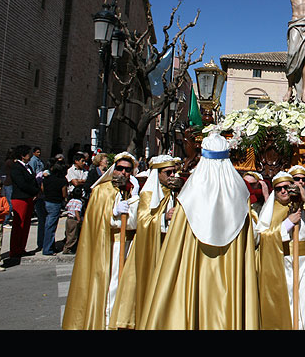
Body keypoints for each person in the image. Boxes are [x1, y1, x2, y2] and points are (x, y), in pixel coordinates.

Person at [137, 133, 259, 330]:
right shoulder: (239, 191)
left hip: (194, 268)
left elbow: (176, 242)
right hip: (230, 274)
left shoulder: (192, 191)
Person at [62, 152, 140, 329]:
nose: (123, 173)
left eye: (128, 170)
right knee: (111, 285)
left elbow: (134, 222)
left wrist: (134, 197)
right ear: (113, 169)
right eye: (119, 168)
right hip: (109, 244)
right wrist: (112, 214)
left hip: (127, 244)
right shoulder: (102, 191)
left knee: (123, 286)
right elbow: (97, 218)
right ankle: (107, 322)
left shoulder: (131, 191)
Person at [109, 155, 183, 330]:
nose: (173, 175)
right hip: (148, 246)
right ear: (157, 173)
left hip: (167, 245)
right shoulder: (149, 193)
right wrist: (164, 217)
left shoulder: (172, 192)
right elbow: (143, 221)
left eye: (174, 171)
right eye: (168, 172)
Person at [254, 170, 305, 329]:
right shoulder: (271, 211)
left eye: (286, 187)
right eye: (279, 189)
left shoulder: (303, 207)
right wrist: (287, 223)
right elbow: (262, 237)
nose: (283, 191)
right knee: (289, 305)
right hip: (283, 263)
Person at [9, 145, 40, 259]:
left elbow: (32, 180)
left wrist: (36, 192)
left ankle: (22, 248)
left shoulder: (28, 167)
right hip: (20, 198)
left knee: (26, 224)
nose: (30, 155)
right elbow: (21, 184)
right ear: (22, 156)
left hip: (28, 198)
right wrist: (34, 191)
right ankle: (14, 250)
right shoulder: (16, 167)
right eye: (28, 154)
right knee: (19, 225)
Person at [40, 161, 68, 255]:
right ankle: (48, 249)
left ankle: (47, 245)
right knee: (51, 227)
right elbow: (64, 193)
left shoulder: (47, 178)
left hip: (46, 201)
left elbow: (42, 188)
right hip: (55, 203)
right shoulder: (62, 180)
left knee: (46, 225)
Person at [62, 186, 83, 254]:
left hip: (68, 218)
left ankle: (66, 247)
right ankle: (68, 248)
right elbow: (77, 211)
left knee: (68, 233)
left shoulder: (71, 200)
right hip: (74, 219)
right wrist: (79, 219)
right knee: (73, 235)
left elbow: (67, 207)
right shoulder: (79, 202)